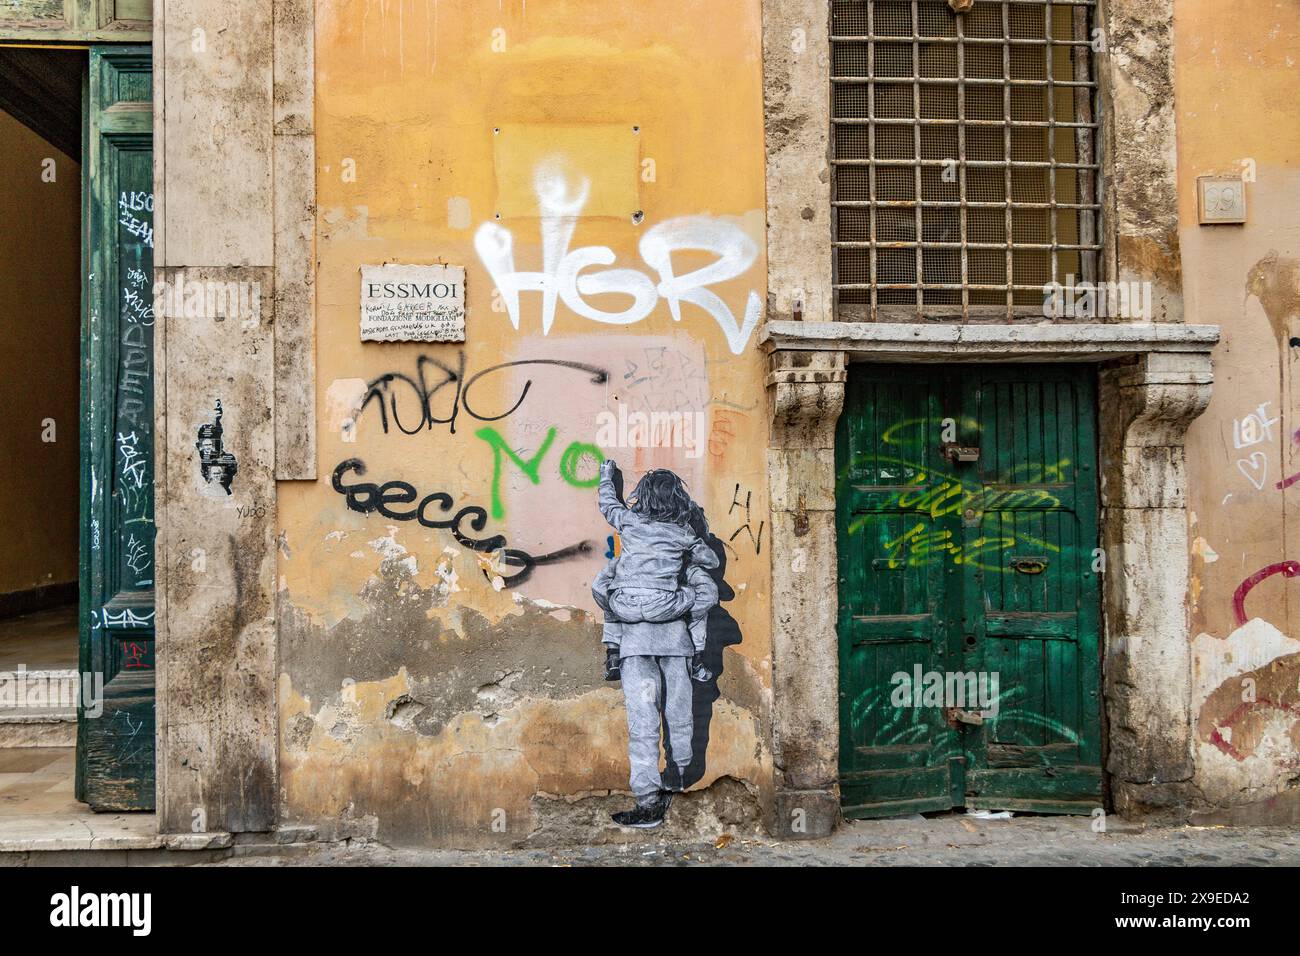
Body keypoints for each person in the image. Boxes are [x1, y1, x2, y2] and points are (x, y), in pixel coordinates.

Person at [592, 459, 719, 829]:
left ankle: (647, 800)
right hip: (675, 639)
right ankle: (678, 772)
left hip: (633, 639)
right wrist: (690, 554)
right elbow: (709, 560)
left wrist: (606, 477)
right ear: (678, 501)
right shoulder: (682, 534)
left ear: (643, 498)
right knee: (680, 712)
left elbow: (608, 506)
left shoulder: (629, 524)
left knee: (642, 721)